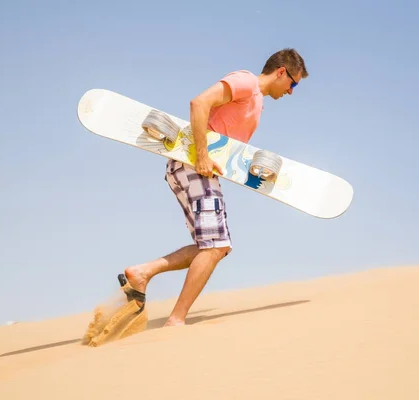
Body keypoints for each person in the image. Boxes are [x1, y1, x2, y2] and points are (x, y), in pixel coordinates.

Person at [122, 48, 308, 327]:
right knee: (216, 246)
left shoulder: (257, 102)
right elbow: (199, 103)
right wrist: (202, 156)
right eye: (293, 83)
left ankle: (142, 273)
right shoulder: (246, 82)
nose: (292, 92)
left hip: (198, 169)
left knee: (214, 247)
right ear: (281, 72)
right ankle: (176, 320)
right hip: (194, 165)